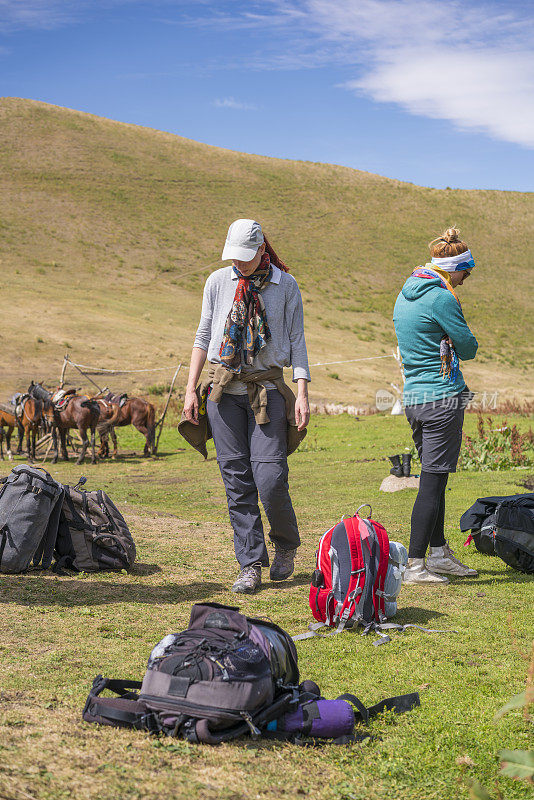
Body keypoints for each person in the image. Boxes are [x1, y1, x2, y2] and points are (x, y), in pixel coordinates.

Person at [182, 219, 311, 594]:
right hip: (223, 394)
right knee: (236, 481)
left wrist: (301, 392)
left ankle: (286, 543)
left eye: (245, 257)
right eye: (232, 258)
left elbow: (298, 340)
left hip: (266, 390)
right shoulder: (217, 282)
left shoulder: (285, 286)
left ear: (261, 250)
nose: (238, 265)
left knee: (270, 478)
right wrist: (191, 389)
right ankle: (251, 563)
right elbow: (203, 335)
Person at [393, 227, 479, 584]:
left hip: (414, 398)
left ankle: (439, 553)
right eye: (465, 273)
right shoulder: (442, 298)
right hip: (442, 399)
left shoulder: (405, 294)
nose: (464, 281)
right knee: (432, 482)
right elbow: (469, 347)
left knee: (435, 476)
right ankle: (415, 564)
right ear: (453, 269)